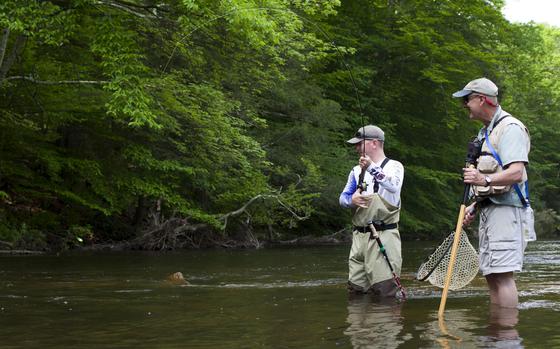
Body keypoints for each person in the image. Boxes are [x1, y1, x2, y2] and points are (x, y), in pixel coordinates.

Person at [453, 77, 531, 308]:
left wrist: (483, 178)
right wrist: (474, 206)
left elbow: (516, 173)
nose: (464, 104)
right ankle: (496, 335)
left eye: (467, 99)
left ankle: (506, 336)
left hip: (507, 211)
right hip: (490, 211)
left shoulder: (510, 128)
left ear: (482, 99)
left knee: (503, 275)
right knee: (491, 274)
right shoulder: (485, 132)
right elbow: (491, 180)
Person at [339, 125, 405, 297]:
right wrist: (350, 201)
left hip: (384, 235)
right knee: (356, 292)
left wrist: (371, 168)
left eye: (360, 144)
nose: (356, 148)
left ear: (374, 143)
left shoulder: (395, 166)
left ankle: (384, 324)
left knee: (384, 293)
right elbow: (342, 198)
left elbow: (393, 186)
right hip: (359, 238)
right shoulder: (355, 171)